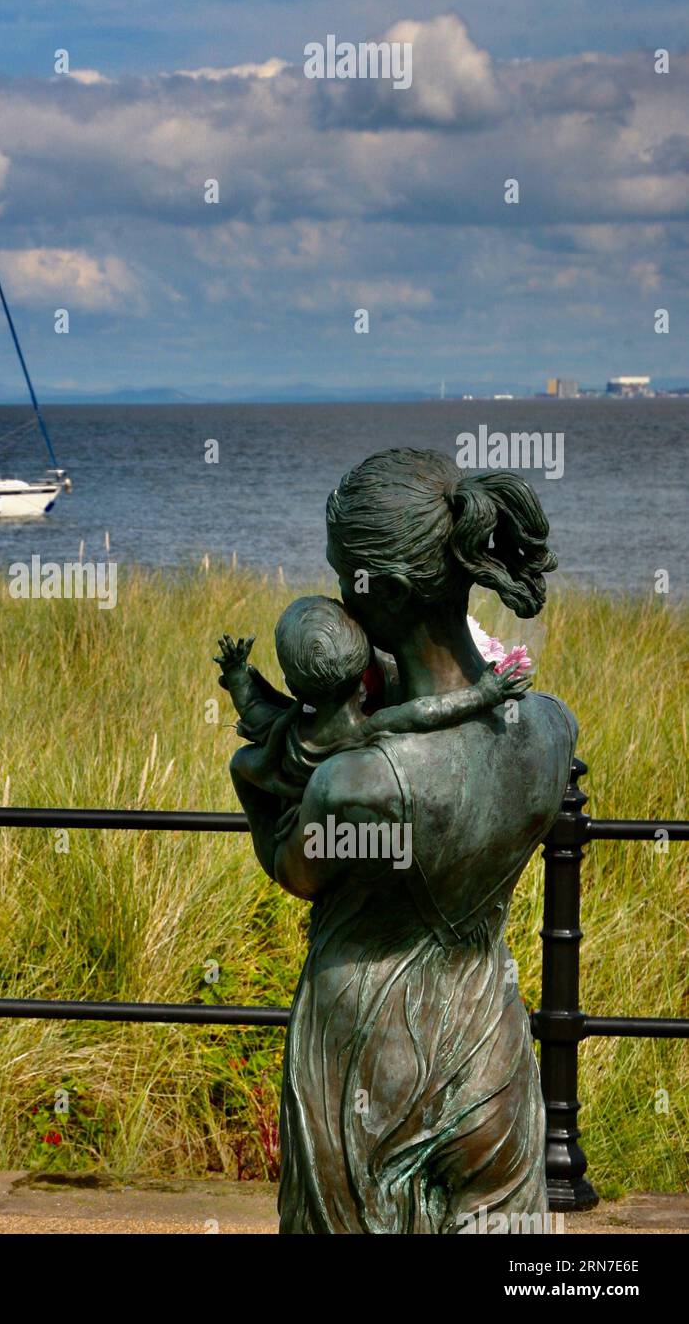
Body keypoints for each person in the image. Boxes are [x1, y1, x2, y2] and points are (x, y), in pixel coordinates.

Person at [229, 449, 575, 1234]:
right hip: (490, 1041)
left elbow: (297, 872)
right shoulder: (550, 729)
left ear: (378, 590)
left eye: (341, 579)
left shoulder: (359, 784)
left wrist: (256, 786)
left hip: (369, 1059)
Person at [216, 596, 531, 843]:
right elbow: (426, 711)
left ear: (293, 686)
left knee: (242, 762)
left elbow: (252, 707)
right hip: (351, 830)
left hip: (295, 811)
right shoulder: (366, 729)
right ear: (363, 672)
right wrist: (483, 694)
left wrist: (236, 673)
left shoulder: (288, 735)